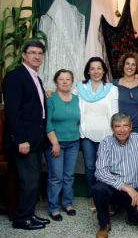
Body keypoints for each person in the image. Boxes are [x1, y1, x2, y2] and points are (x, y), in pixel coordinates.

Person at [2, 40, 51, 229]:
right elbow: (12, 112)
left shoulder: (36, 78)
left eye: (40, 53)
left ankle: (30, 213)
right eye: (32, 52)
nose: (37, 56)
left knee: (34, 179)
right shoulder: (15, 76)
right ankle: (22, 219)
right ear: (24, 55)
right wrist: (20, 139)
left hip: (35, 139)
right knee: (28, 181)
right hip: (24, 140)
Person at [93, 113, 138, 238]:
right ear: (112, 129)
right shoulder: (106, 143)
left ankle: (130, 212)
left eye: (125, 126)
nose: (122, 130)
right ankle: (104, 223)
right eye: (118, 126)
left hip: (135, 188)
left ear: (130, 127)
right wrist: (126, 187)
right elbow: (100, 171)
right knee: (98, 189)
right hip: (114, 188)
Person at [75, 57, 119, 211]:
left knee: (105, 168)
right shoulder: (80, 88)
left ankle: (107, 197)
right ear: (88, 71)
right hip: (86, 133)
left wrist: (114, 134)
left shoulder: (111, 89)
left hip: (106, 134)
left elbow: (114, 113)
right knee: (90, 168)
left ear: (104, 70)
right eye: (92, 68)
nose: (96, 71)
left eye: (99, 68)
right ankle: (94, 196)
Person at [45, 69, 80, 221]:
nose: (65, 82)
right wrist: (54, 143)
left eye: (68, 79)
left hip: (73, 142)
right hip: (55, 143)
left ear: (72, 82)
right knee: (56, 177)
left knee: (69, 176)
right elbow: (47, 123)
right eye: (61, 79)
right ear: (56, 82)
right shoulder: (51, 99)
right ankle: (53, 208)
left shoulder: (77, 99)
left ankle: (67, 203)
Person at [113, 52, 138, 133]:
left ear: (136, 67)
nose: (130, 67)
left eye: (133, 64)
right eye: (127, 64)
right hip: (120, 130)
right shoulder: (114, 85)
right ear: (123, 65)